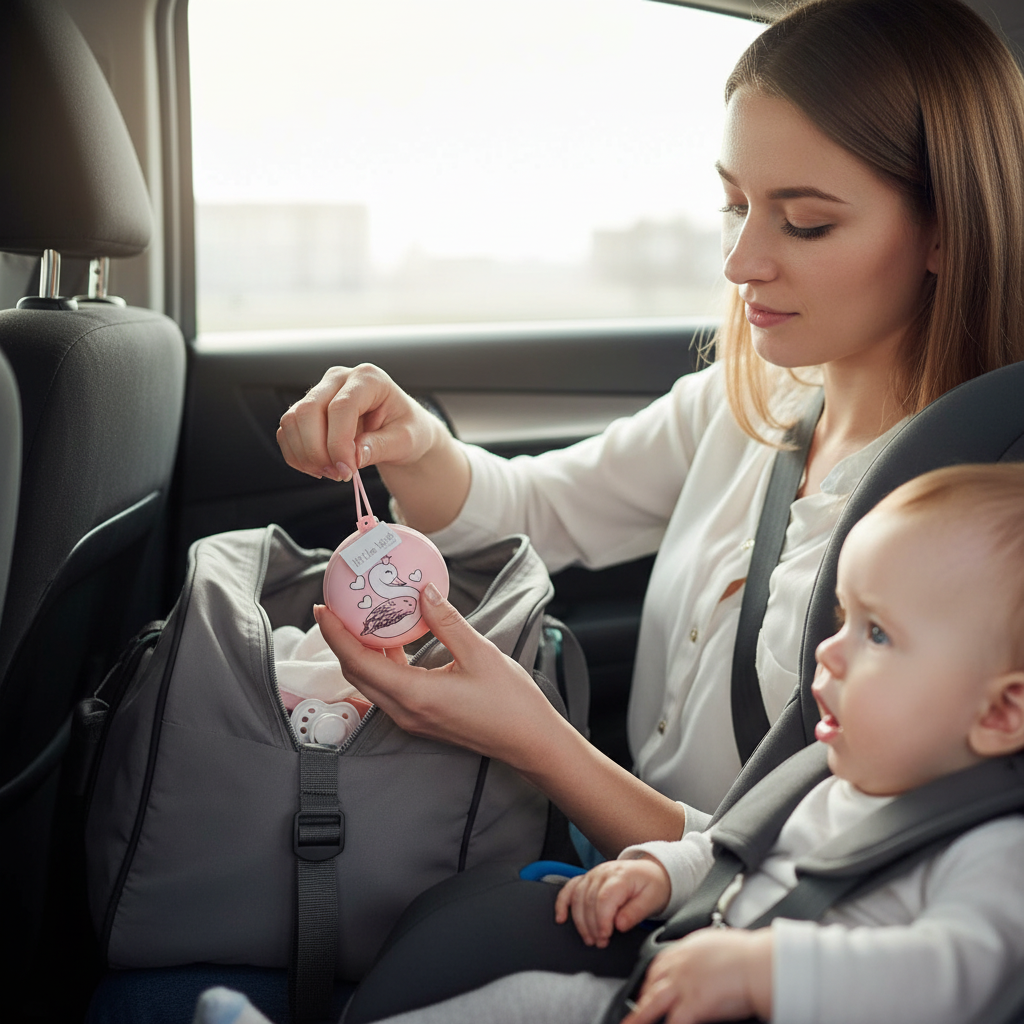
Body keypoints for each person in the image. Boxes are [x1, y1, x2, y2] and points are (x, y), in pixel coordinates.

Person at [277, 0, 1024, 865]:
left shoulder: (982, 525)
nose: (740, 262)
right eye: (734, 204)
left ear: (945, 231)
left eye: (806, 222)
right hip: (613, 859)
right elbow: (538, 510)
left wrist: (532, 738)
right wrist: (414, 439)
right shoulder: (749, 404)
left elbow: (826, 873)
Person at [197, 462, 1024, 1024]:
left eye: (877, 634)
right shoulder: (835, 779)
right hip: (680, 978)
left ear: (1002, 711)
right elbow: (736, 853)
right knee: (521, 1005)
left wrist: (764, 970)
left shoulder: (993, 850)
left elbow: (964, 976)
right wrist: (662, 872)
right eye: (841, 618)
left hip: (749, 991)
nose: (829, 652)